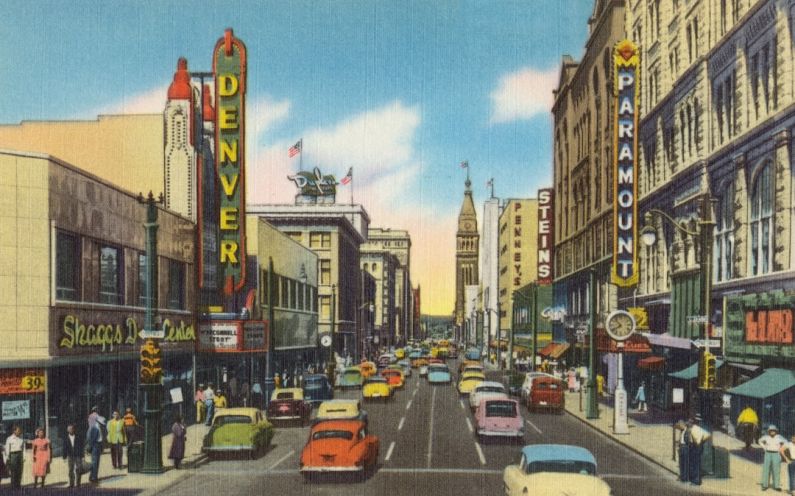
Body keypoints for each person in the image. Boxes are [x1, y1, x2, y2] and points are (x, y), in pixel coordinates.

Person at [760, 424, 786, 491]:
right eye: (771, 431)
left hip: (776, 454)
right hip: (768, 453)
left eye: (773, 431)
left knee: (776, 470)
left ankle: (776, 486)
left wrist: (781, 448)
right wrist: (764, 447)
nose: (772, 432)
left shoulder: (779, 437)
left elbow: (786, 442)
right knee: (766, 469)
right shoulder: (766, 437)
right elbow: (759, 441)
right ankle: (765, 485)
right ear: (769, 431)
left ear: (776, 431)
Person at [687, 415, 710, 485]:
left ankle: (696, 480)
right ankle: (696, 479)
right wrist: (702, 441)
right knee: (696, 464)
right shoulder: (699, 428)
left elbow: (696, 440)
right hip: (698, 447)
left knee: (695, 464)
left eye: (689, 422)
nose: (688, 423)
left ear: (692, 423)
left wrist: (698, 443)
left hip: (695, 447)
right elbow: (708, 435)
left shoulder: (693, 429)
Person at [62, 424, 84, 488]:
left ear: (74, 429)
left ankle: (78, 484)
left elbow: (81, 447)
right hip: (70, 456)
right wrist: (64, 457)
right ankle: (71, 484)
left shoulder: (78, 437)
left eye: (72, 429)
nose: (71, 430)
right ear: (67, 430)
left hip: (78, 455)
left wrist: (82, 456)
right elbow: (64, 448)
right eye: (69, 429)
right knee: (70, 470)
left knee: (79, 469)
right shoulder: (65, 438)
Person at [4, 426, 24, 490]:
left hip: (19, 455)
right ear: (14, 431)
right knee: (13, 472)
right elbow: (7, 449)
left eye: (20, 431)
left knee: (19, 471)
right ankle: (13, 486)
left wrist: (23, 457)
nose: (19, 432)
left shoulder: (21, 439)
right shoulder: (9, 439)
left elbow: (23, 449)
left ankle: (18, 485)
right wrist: (7, 458)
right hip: (13, 455)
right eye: (18, 431)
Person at [86, 418, 103, 483]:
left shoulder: (96, 426)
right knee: (95, 462)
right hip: (95, 445)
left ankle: (93, 476)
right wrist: (89, 447)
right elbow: (90, 439)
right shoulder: (94, 427)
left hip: (97, 445)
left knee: (95, 462)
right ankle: (93, 477)